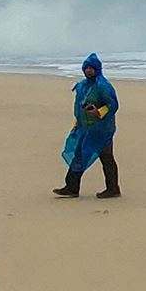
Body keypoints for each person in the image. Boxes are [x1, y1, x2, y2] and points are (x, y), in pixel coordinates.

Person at [54, 53, 121, 198]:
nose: (89, 71)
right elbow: (79, 107)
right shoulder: (83, 86)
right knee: (79, 155)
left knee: (106, 158)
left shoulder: (103, 86)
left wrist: (99, 112)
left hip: (102, 130)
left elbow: (113, 104)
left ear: (97, 69)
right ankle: (72, 188)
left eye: (92, 68)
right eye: (86, 68)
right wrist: (78, 123)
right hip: (86, 128)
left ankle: (113, 189)